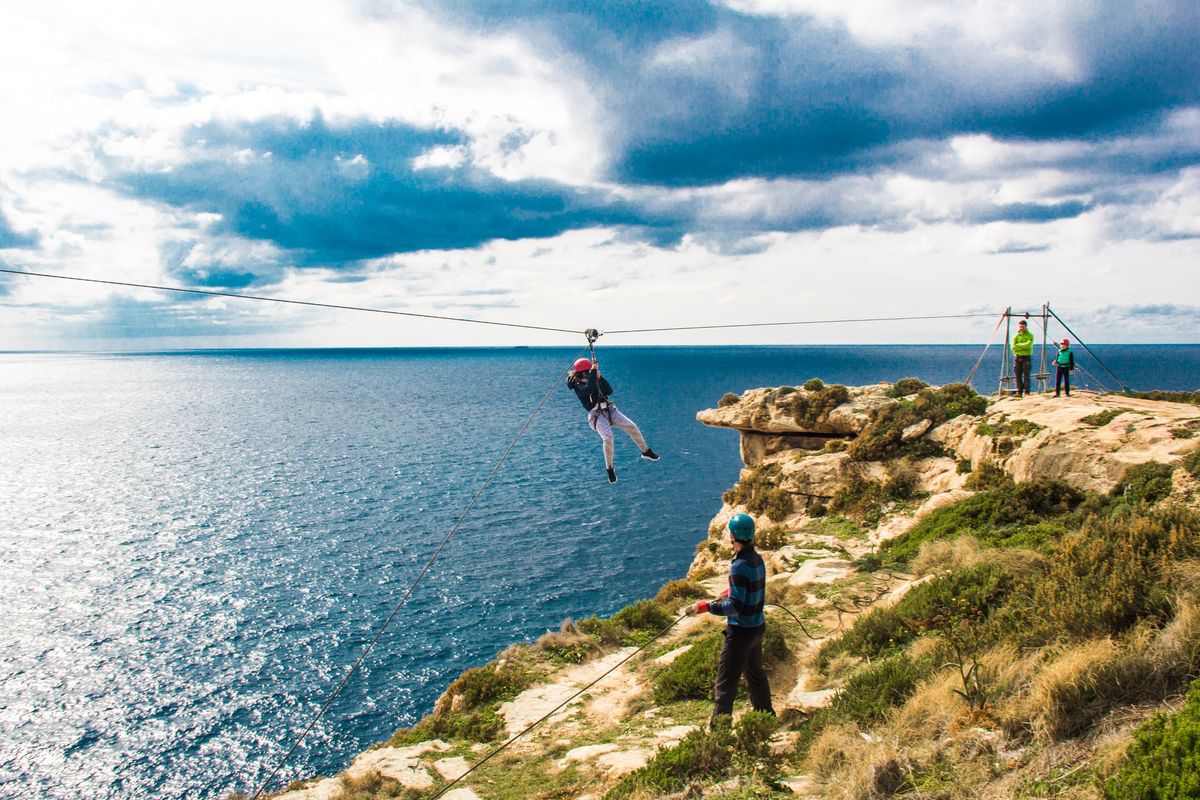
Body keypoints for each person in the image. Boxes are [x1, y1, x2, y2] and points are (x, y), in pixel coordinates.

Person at [686, 513, 774, 727]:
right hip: (757, 627)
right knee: (756, 676)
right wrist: (730, 591)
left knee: (725, 684)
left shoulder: (738, 565)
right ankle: (766, 718)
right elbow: (749, 587)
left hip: (740, 633)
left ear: (733, 536)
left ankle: (719, 732)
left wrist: (705, 607)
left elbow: (734, 608)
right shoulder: (757, 559)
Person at [566, 357, 658, 483]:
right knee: (608, 438)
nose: (589, 373)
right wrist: (594, 372)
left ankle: (646, 451)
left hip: (609, 410)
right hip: (596, 416)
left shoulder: (594, 378)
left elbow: (609, 391)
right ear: (582, 373)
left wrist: (599, 376)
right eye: (587, 371)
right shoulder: (577, 384)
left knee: (632, 427)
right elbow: (588, 390)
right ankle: (609, 468)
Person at [1012, 319, 1034, 396]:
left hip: (1026, 357)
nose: (1021, 328)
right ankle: (1019, 391)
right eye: (1020, 326)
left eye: (1023, 326)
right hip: (1017, 357)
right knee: (1017, 375)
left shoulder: (1030, 335)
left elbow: (1028, 345)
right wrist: (1021, 347)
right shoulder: (1016, 336)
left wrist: (1018, 345)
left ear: (1026, 326)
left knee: (1026, 375)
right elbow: (1013, 347)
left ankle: (1027, 392)